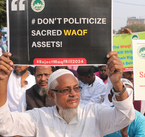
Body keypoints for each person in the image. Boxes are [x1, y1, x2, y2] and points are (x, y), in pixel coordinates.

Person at [0, 51, 135, 137]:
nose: (73, 94)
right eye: (66, 90)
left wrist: (117, 83)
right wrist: (2, 80)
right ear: (52, 96)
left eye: (76, 88)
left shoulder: (94, 114)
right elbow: (5, 125)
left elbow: (125, 116)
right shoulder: (40, 117)